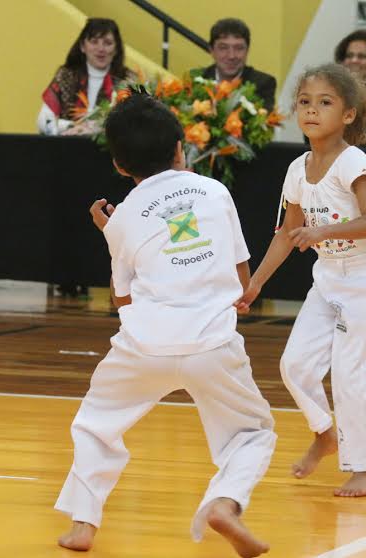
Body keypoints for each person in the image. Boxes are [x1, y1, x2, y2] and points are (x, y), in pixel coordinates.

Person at [55, 93, 275, 558]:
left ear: (118, 164)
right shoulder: (216, 192)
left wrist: (113, 234)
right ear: (181, 146)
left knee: (96, 425)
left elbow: (122, 299)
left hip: (143, 345)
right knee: (252, 433)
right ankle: (223, 504)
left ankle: (83, 524)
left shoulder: (125, 214)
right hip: (212, 344)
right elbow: (240, 280)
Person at [235, 63, 366, 498]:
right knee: (295, 365)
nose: (311, 110)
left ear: (348, 115)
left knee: (350, 372)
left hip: (365, 276)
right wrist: (255, 284)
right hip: (327, 277)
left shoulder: (354, 162)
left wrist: (323, 231)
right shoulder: (296, 168)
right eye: (305, 102)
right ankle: (325, 433)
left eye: (325, 102)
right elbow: (288, 234)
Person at [38, 18, 133, 136]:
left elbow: (132, 126)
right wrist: (73, 127)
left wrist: (96, 129)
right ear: (83, 46)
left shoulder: (128, 81)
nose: (101, 49)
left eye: (107, 43)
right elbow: (43, 120)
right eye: (94, 42)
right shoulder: (66, 76)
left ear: (116, 49)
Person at [191, 18, 277, 111]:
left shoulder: (263, 83)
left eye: (239, 48)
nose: (231, 56)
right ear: (211, 51)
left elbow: (262, 120)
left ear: (247, 50)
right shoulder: (195, 80)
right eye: (223, 48)